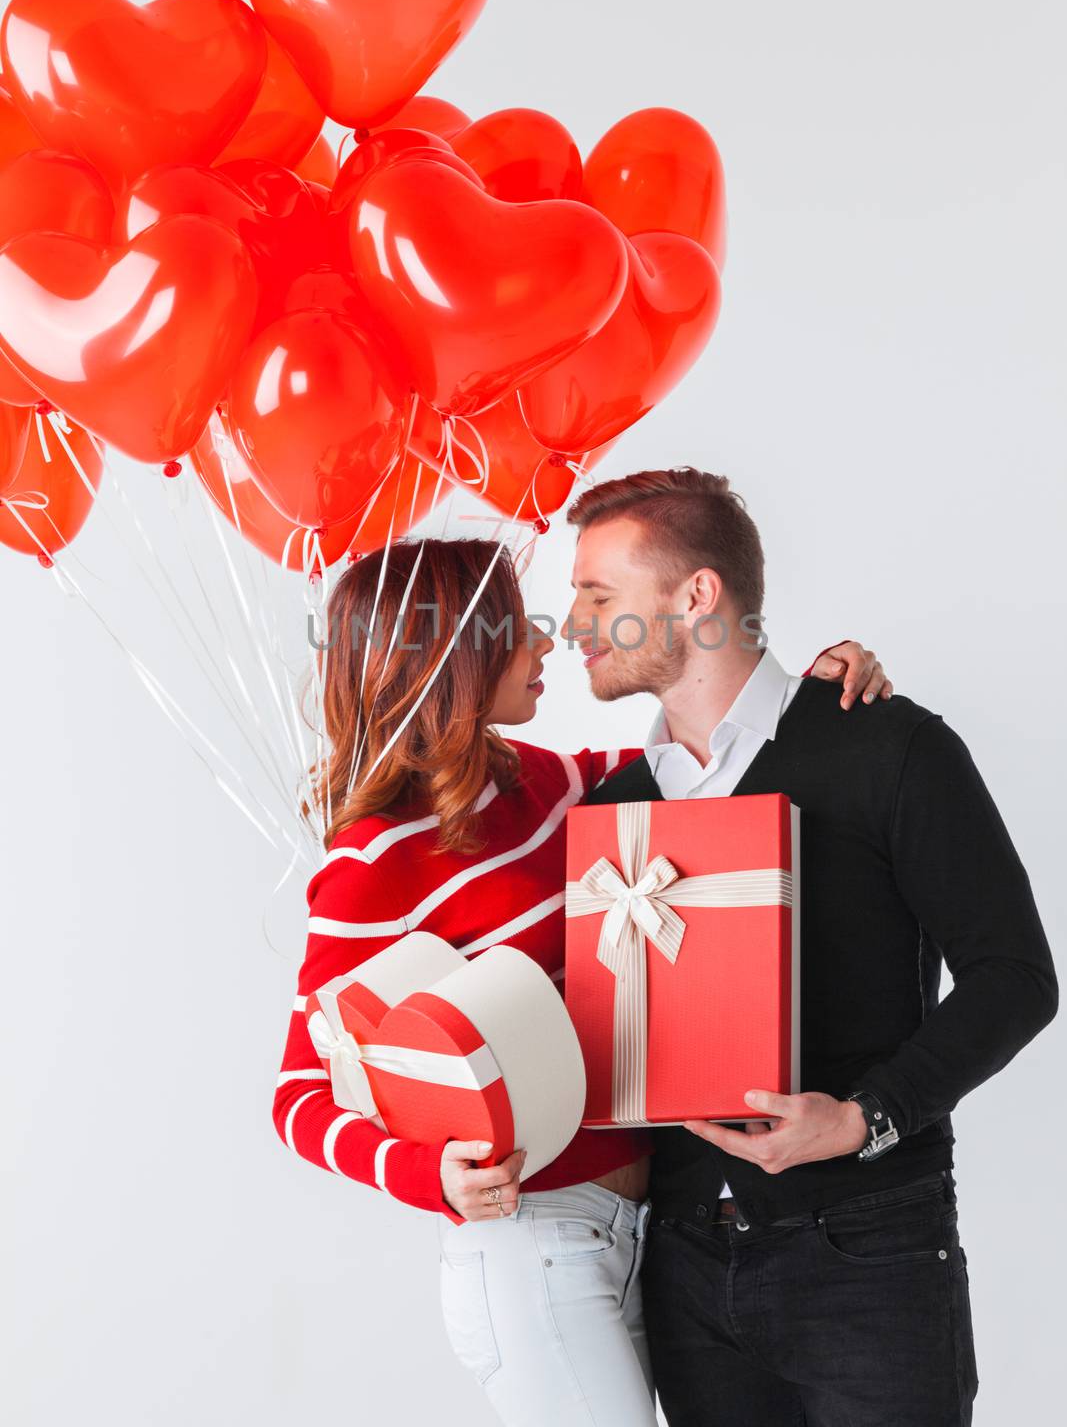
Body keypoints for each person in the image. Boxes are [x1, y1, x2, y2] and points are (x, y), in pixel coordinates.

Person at [272, 534, 889, 1426]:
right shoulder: (373, 860)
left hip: (649, 1235)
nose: (549, 643)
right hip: (533, 1246)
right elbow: (297, 1096)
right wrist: (424, 1174)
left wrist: (810, 693)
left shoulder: (551, 785)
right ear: (455, 656)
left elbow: (712, 760)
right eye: (520, 628)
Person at [565, 467, 1059, 1427]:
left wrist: (864, 1117)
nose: (572, 625)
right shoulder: (612, 805)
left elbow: (1015, 979)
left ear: (695, 595)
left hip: (867, 1249)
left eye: (596, 595)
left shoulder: (888, 748)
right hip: (683, 1267)